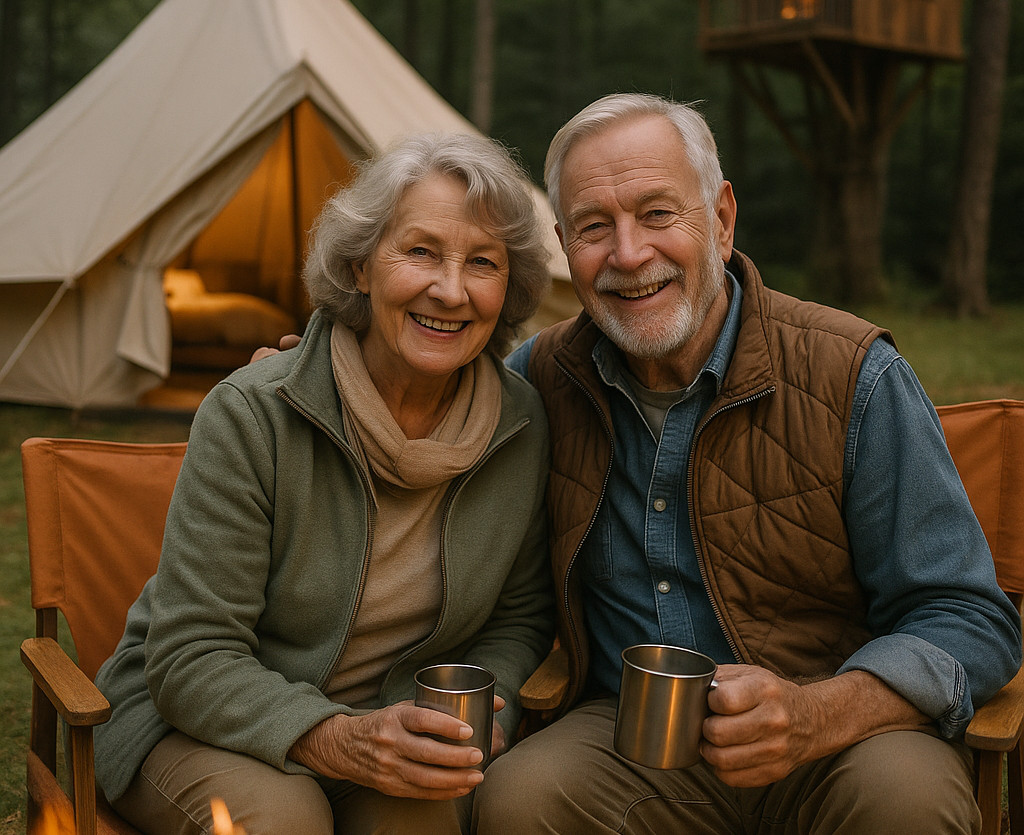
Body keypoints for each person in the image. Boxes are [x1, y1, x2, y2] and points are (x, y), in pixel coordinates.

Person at [470, 93, 1023, 833]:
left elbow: (971, 618)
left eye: (658, 213)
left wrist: (815, 713)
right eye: (594, 227)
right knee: (520, 800)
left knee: (910, 803)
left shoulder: (852, 374)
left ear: (722, 218)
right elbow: (422, 423)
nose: (628, 254)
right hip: (629, 745)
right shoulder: (540, 377)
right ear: (565, 244)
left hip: (844, 740)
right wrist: (317, 372)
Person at [93, 132, 555, 835]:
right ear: (361, 266)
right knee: (286, 823)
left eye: (483, 263)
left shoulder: (521, 426)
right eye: (421, 251)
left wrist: (489, 704)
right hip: (200, 720)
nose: (451, 290)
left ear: (509, 289)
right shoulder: (254, 413)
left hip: (396, 728)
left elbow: (518, 619)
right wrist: (337, 738)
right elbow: (191, 656)